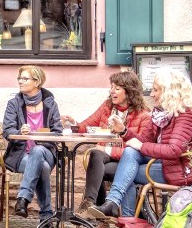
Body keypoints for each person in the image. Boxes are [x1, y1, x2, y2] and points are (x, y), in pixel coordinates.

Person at [89, 69, 192, 219]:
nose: (151, 94)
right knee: (130, 155)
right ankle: (117, 209)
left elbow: (174, 150)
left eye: (155, 90)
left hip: (180, 170)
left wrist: (141, 146)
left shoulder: (186, 115)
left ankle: (124, 221)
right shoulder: (160, 115)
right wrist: (124, 131)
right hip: (163, 163)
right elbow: (143, 140)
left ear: (169, 92)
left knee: (124, 173)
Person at [62, 71, 150, 214]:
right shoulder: (107, 106)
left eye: (117, 88)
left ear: (129, 91)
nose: (111, 91)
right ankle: (90, 203)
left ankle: (97, 214)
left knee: (99, 166)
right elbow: (87, 125)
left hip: (129, 162)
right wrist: (74, 124)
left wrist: (108, 151)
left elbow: (138, 150)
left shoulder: (143, 114)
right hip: (105, 158)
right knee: (96, 154)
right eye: (111, 87)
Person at [2, 65, 63, 228]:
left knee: (38, 152)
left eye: (25, 78)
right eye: (19, 78)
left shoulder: (50, 104)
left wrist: (42, 136)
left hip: (47, 152)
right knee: (41, 166)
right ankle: (46, 216)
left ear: (37, 82)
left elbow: (58, 133)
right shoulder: (14, 104)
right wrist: (19, 131)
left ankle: (23, 198)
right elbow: (7, 131)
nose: (20, 82)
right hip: (21, 156)